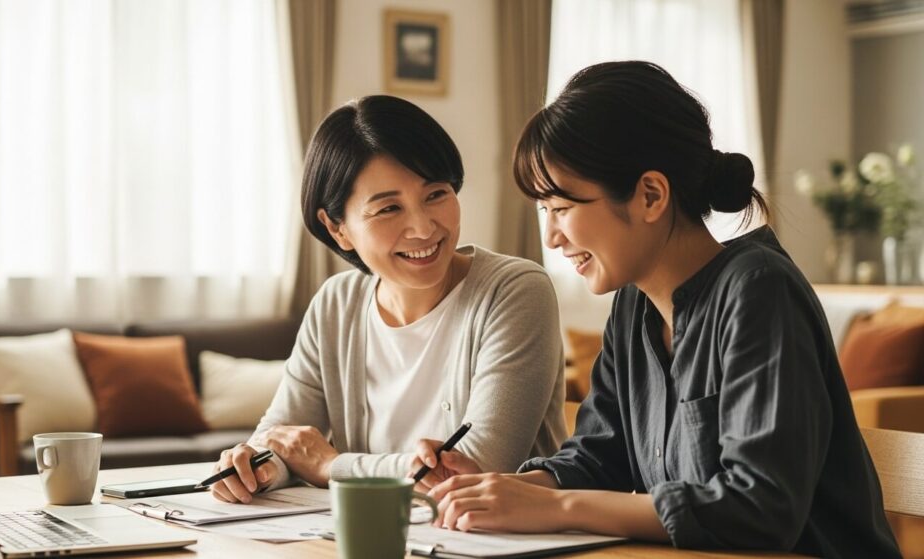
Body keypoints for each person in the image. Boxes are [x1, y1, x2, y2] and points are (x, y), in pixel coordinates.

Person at [419, 61, 900, 558]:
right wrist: (505, 488)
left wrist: (557, 509)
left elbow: (761, 508)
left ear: (651, 195)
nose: (551, 237)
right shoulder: (634, 304)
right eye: (543, 211)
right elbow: (598, 457)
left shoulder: (759, 291)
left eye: (562, 208)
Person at [210, 95, 567, 503]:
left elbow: (477, 465)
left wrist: (331, 466)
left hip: (500, 542)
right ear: (337, 228)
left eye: (436, 194)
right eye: (388, 209)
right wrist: (258, 467)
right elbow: (282, 437)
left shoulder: (515, 290)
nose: (422, 227)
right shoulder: (335, 305)